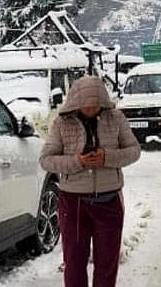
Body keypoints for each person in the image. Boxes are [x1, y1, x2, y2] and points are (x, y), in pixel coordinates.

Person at [39, 76, 141, 287]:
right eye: (86, 106)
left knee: (107, 263)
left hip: (109, 200)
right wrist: (78, 161)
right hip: (73, 203)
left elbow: (134, 151)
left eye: (96, 105)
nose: (91, 109)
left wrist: (107, 157)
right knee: (74, 263)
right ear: (76, 102)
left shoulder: (116, 118)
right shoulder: (61, 123)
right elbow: (46, 160)